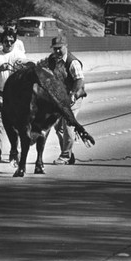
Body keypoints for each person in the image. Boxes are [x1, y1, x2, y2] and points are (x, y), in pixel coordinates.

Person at [0, 30, 26, 163]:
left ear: (14, 42)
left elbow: (27, 68)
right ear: (2, 42)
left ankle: (15, 151)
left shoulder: (19, 55)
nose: (8, 43)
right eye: (6, 41)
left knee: (17, 124)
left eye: (11, 41)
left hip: (15, 94)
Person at [50, 35, 87, 165]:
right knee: (58, 127)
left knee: (67, 125)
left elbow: (79, 80)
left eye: (59, 48)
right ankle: (68, 154)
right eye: (55, 49)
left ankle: (65, 156)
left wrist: (73, 93)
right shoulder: (52, 60)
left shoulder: (72, 62)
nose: (57, 51)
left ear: (66, 46)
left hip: (74, 97)